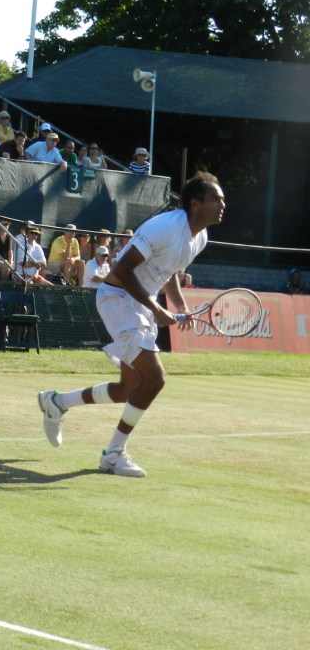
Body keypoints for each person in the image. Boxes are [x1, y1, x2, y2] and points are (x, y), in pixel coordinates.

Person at [37, 172, 225, 478]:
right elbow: (123, 271)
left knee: (127, 388)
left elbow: (171, 273)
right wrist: (156, 308)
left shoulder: (199, 237)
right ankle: (113, 453)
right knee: (155, 379)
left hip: (140, 304)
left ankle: (56, 402)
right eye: (216, 198)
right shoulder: (165, 227)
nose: (222, 204)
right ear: (195, 204)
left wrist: (177, 306)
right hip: (119, 299)